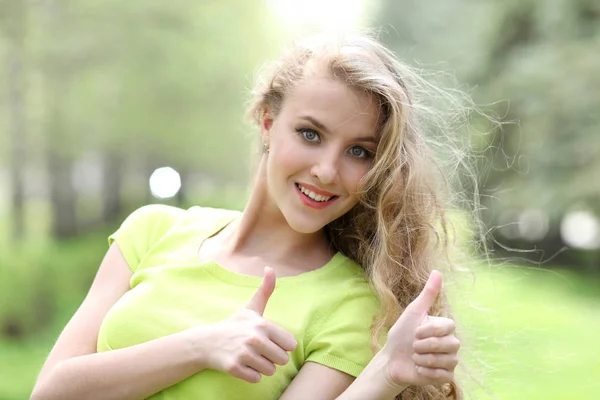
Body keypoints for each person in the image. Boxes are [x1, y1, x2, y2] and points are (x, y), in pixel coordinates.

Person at [31, 32, 468, 400]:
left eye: (359, 151)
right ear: (267, 122)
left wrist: (385, 373)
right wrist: (201, 346)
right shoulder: (153, 230)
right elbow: (49, 392)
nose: (327, 170)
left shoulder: (352, 305)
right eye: (310, 134)